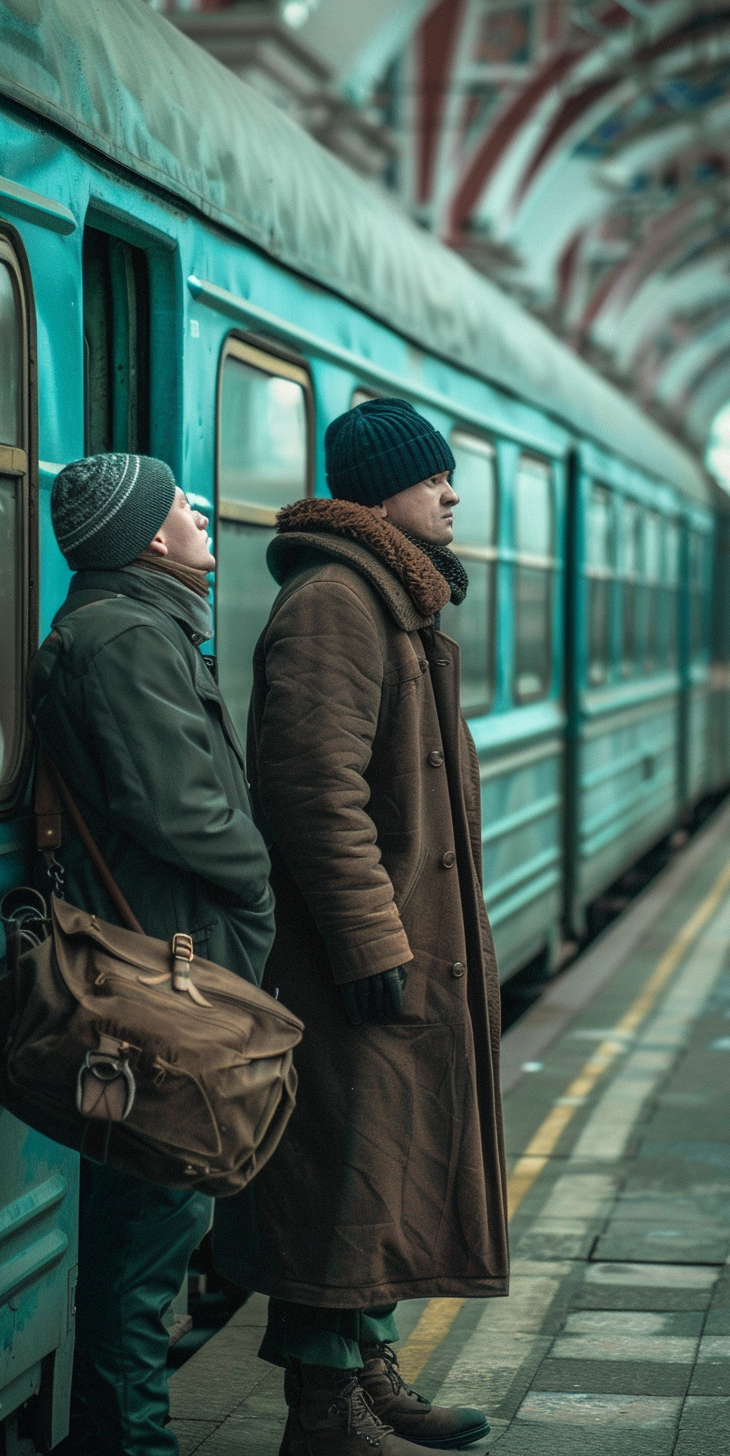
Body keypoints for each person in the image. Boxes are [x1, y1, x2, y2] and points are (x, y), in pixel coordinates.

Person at [213, 398, 509, 1455]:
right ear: (383, 491)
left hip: (393, 945)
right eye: (435, 478)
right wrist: (374, 946)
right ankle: (327, 1415)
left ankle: (363, 1370)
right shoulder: (338, 601)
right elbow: (312, 792)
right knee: (349, 1176)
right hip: (359, 957)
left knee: (367, 1174)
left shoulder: (390, 597)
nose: (452, 493)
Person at [28, 453, 276, 1456]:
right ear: (146, 540)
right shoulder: (125, 637)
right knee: (145, 1249)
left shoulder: (135, 623)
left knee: (148, 1235)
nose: (200, 510)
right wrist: (263, 880)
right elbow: (180, 806)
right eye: (180, 504)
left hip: (165, 957)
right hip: (161, 983)